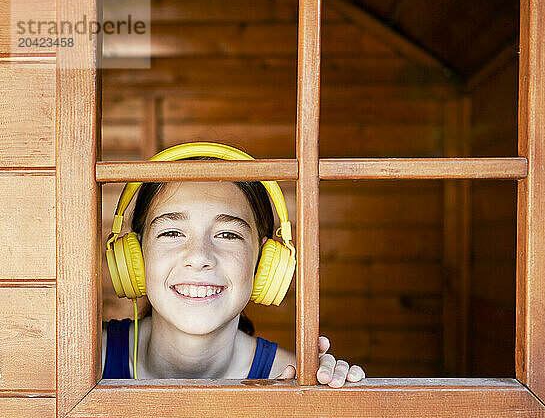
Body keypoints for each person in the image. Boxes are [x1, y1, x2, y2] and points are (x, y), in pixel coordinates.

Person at [102, 143, 365, 387]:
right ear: (136, 254)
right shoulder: (85, 362)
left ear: (263, 262)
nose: (199, 257)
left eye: (228, 235)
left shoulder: (290, 378)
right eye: (171, 233)